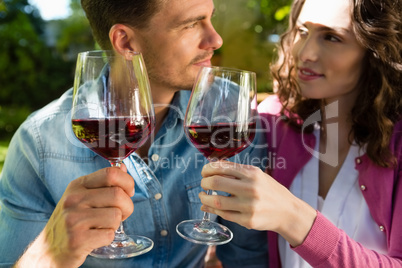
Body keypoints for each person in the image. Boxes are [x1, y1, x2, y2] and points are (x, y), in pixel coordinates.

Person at [0, 0, 268, 267]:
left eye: (210, 19)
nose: (216, 39)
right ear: (126, 42)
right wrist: (50, 253)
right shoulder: (39, 141)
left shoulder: (233, 110)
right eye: (191, 24)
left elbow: (248, 257)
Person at [198, 0, 402, 267]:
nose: (305, 52)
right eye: (303, 31)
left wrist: (293, 218)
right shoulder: (273, 121)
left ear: (377, 50)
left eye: (332, 37)